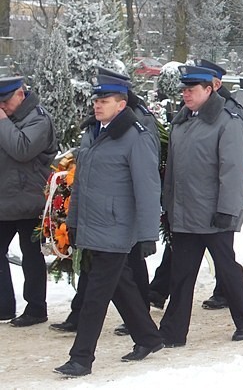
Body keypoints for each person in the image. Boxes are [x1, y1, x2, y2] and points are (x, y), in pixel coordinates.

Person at [55, 75, 163, 377]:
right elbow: (82, 186)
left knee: (95, 297)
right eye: (96, 100)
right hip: (93, 226)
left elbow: (147, 188)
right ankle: (148, 337)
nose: (97, 104)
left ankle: (81, 358)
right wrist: (73, 223)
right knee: (120, 286)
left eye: (104, 100)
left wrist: (146, 235)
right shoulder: (92, 133)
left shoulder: (135, 136)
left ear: (121, 104)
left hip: (116, 228)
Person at [159, 65, 243, 346]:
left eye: (191, 90)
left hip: (215, 214)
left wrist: (227, 210)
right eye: (184, 90)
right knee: (181, 274)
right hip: (186, 213)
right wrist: (169, 207)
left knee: (226, 269)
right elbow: (174, 171)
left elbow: (234, 170)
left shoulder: (227, 121)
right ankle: (173, 331)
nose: (185, 94)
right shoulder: (182, 121)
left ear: (209, 90)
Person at [0, 76, 57, 327]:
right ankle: (3, 307)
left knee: (32, 256)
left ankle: (36, 308)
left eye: (5, 101)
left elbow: (23, 149)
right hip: (5, 198)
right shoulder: (8, 118)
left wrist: (2, 122)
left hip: (31, 199)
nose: (2, 107)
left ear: (20, 95)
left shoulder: (38, 118)